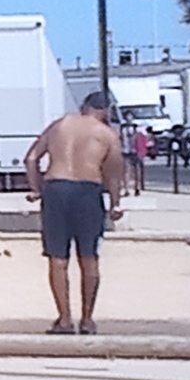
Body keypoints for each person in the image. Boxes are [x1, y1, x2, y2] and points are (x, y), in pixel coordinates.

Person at [22, 90, 128, 334]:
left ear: (84, 105)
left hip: (56, 189)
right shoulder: (107, 135)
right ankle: (88, 320)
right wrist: (115, 204)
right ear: (106, 110)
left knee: (57, 258)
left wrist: (36, 189)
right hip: (87, 192)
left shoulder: (59, 125)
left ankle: (65, 319)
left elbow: (31, 159)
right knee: (89, 257)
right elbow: (114, 174)